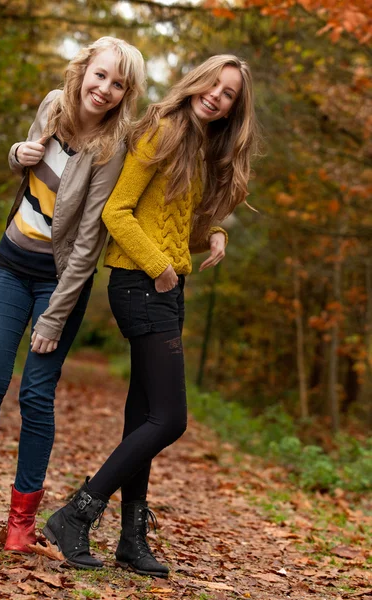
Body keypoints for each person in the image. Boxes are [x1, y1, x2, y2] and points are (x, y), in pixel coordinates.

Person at [43, 54, 257, 575]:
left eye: (228, 93)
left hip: (164, 286)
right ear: (197, 82)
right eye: (213, 84)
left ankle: (131, 541)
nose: (217, 96)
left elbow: (171, 219)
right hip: (142, 285)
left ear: (233, 108)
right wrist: (161, 267)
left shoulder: (198, 142)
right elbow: (118, 211)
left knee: (144, 416)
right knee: (170, 418)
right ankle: (75, 514)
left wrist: (216, 232)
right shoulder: (162, 128)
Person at [0, 36, 146, 554]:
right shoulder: (52, 104)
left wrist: (55, 315)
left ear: (125, 94)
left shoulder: (112, 149)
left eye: (119, 84)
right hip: (10, 262)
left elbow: (88, 238)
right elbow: (29, 166)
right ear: (84, 69)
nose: (106, 89)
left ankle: (20, 527)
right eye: (101, 75)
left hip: (59, 279)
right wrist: (15, 153)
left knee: (35, 396)